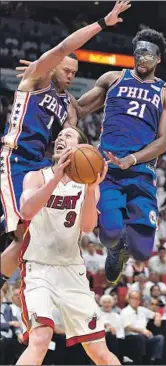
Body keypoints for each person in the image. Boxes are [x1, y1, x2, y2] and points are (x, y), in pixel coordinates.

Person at [0, 0, 131, 289]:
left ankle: (112, 238)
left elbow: (75, 132)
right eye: (67, 70)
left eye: (74, 72)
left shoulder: (68, 104)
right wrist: (102, 23)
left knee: (42, 231)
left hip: (43, 166)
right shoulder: (36, 79)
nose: (71, 76)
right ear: (54, 67)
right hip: (15, 160)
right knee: (25, 233)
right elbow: (61, 49)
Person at [75, 28, 166, 284]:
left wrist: (133, 159)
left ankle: (124, 250)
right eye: (139, 53)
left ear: (159, 59)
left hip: (141, 172)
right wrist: (48, 81)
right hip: (108, 169)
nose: (143, 58)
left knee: (143, 252)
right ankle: (114, 248)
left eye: (149, 54)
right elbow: (80, 108)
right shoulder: (113, 78)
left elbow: (164, 140)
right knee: (108, 234)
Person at [15, 126, 120, 365]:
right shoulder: (37, 176)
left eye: (68, 136)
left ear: (82, 148)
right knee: (41, 338)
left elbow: (87, 226)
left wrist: (92, 188)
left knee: (98, 350)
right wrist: (56, 178)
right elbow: (26, 210)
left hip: (72, 270)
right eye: (60, 136)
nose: (61, 138)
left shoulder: (87, 186)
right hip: (38, 268)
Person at [120, 290, 164, 365]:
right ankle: (142, 362)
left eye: (137, 298)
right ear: (129, 299)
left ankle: (154, 360)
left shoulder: (142, 310)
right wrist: (142, 331)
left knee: (160, 338)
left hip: (145, 336)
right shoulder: (124, 311)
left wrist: (157, 317)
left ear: (139, 300)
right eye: (133, 298)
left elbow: (155, 314)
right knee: (140, 337)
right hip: (131, 337)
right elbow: (128, 327)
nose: (135, 300)